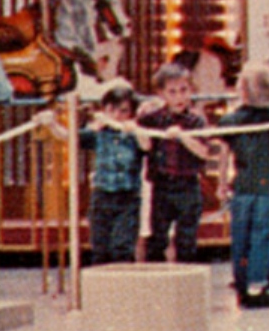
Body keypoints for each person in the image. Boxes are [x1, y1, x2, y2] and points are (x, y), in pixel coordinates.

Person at [217, 63, 269, 309]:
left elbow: (223, 155)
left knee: (241, 237)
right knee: (262, 236)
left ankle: (242, 283)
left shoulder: (231, 120)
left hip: (242, 185)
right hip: (267, 186)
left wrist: (221, 184)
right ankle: (256, 285)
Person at [139, 61, 212, 263]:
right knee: (157, 238)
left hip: (188, 185)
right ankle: (157, 284)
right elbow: (143, 141)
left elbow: (204, 152)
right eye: (172, 92)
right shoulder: (154, 118)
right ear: (162, 93)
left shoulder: (196, 120)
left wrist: (183, 137)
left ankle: (184, 285)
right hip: (162, 185)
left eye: (184, 90)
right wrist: (139, 116)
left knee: (186, 240)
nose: (180, 97)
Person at [78, 80, 149, 264]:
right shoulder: (97, 132)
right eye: (112, 110)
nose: (117, 115)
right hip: (102, 195)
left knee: (122, 247)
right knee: (100, 248)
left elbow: (147, 146)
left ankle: (123, 290)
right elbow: (69, 137)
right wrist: (50, 123)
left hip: (127, 197)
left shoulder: (134, 134)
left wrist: (136, 129)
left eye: (123, 111)